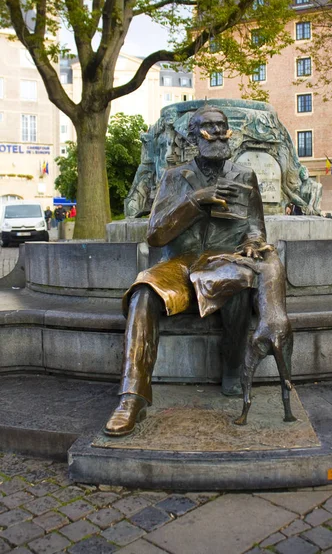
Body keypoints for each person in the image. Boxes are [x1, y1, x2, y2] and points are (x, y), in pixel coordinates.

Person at [104, 105, 295, 437]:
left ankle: (233, 367)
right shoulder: (174, 177)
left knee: (240, 279)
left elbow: (255, 228)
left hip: (224, 260)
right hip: (179, 265)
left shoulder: (244, 175)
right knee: (142, 293)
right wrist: (194, 201)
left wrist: (251, 242)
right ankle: (132, 397)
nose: (219, 133)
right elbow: (155, 234)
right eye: (209, 127)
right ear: (194, 136)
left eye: (222, 126)